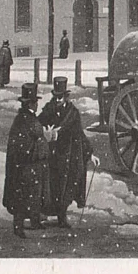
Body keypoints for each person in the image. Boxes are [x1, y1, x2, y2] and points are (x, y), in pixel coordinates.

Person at [37, 78, 94, 228]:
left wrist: (90, 153)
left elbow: (79, 134)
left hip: (67, 156)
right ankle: (45, 214)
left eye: (61, 96)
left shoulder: (72, 112)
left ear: (66, 96)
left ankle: (62, 216)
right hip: (52, 155)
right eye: (56, 96)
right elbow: (39, 124)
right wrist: (45, 132)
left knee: (66, 186)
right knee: (51, 185)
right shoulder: (49, 108)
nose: (58, 99)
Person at [2, 83, 54, 238]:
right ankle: (19, 227)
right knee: (25, 196)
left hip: (26, 165)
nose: (37, 104)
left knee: (29, 195)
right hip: (28, 166)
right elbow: (33, 143)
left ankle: (33, 221)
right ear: (31, 104)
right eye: (35, 102)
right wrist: (48, 138)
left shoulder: (22, 119)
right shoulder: (28, 121)